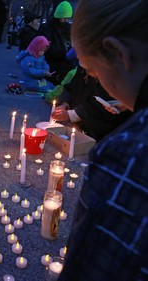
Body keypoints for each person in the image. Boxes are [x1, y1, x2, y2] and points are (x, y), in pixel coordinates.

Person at [58, 0, 148, 280]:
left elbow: (90, 267)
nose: (96, 80)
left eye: (94, 72)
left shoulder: (130, 154)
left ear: (118, 52)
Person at [51, 65, 133, 141]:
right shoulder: (83, 66)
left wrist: (71, 114)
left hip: (99, 132)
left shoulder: (110, 72)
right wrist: (65, 103)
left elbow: (101, 102)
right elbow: (71, 87)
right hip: (77, 126)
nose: (78, 58)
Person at [39, 1, 74, 85]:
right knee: (52, 82)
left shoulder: (68, 27)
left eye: (67, 18)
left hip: (65, 62)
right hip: (51, 63)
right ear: (58, 16)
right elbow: (45, 48)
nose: (66, 20)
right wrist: (62, 52)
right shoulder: (47, 28)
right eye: (64, 18)